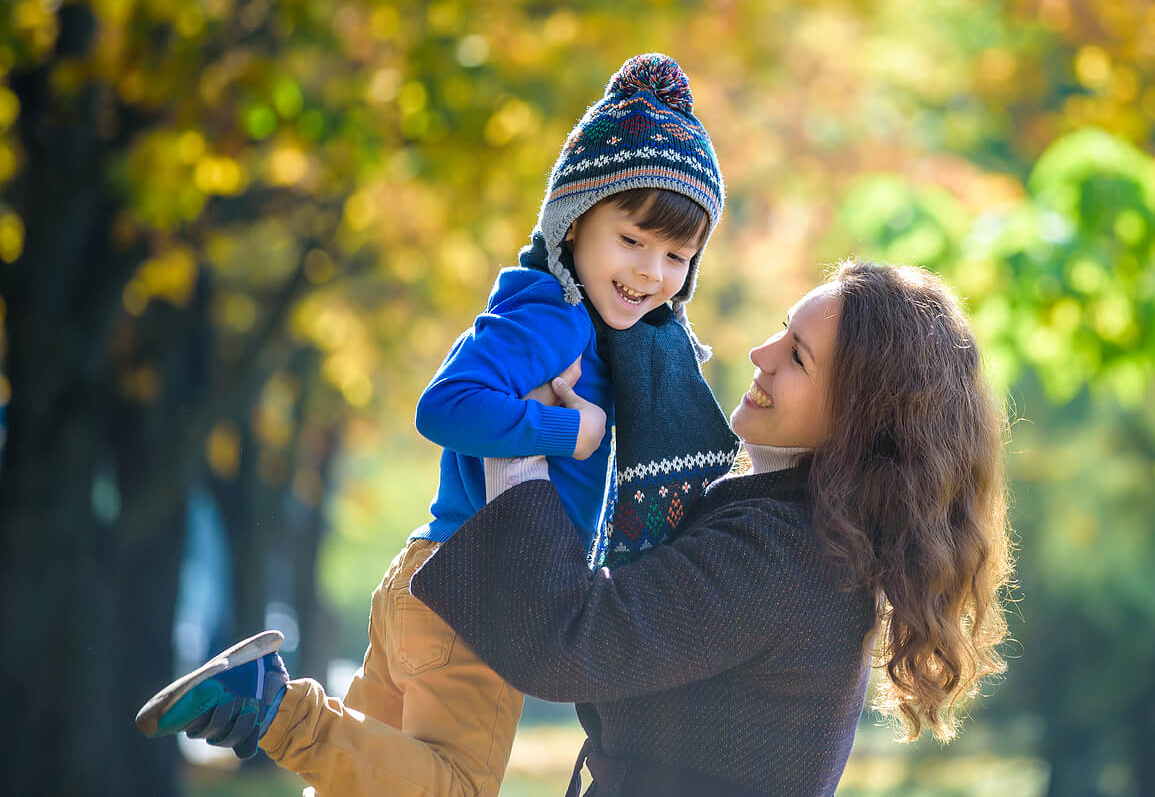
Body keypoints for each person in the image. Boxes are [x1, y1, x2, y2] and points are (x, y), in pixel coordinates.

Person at [136, 52, 741, 796]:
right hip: (475, 594)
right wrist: (569, 436)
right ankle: (269, 706)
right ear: (574, 222)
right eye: (632, 240)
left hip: (432, 573)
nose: (652, 272)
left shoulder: (557, 316)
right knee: (456, 786)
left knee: (362, 782)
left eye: (678, 254)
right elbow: (446, 406)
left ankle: (270, 707)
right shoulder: (554, 319)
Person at [411, 260, 1016, 795]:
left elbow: (572, 643)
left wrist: (518, 450)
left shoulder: (785, 554)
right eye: (783, 328)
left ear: (856, 422)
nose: (762, 354)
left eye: (798, 356)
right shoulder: (791, 522)